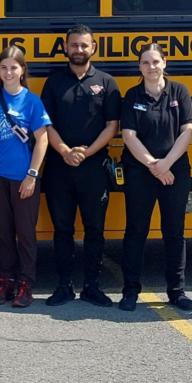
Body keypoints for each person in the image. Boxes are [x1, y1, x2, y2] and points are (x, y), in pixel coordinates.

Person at [41, 25, 121, 307]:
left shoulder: (107, 82)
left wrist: (85, 154)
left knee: (94, 229)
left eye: (84, 45)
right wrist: (64, 151)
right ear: (65, 47)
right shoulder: (53, 83)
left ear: (93, 48)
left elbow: (112, 126)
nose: (79, 50)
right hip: (59, 167)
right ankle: (64, 285)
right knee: (62, 229)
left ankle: (92, 285)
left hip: (94, 166)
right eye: (74, 45)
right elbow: (44, 123)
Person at [118, 45, 192, 312]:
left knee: (174, 232)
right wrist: (154, 165)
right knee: (136, 231)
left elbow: (188, 130)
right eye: (145, 63)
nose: (151, 67)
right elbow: (128, 135)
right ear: (139, 67)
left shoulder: (179, 91)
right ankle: (130, 291)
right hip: (141, 171)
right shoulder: (132, 95)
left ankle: (177, 291)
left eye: (155, 61)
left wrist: (167, 164)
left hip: (175, 170)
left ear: (165, 63)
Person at [0, 46, 50, 308]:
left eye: (14, 67)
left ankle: (25, 284)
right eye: (4, 67)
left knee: (26, 233)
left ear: (23, 71)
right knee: (5, 233)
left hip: (24, 178)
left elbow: (43, 140)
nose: (9, 72)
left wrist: (32, 175)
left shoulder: (32, 101)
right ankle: (6, 280)